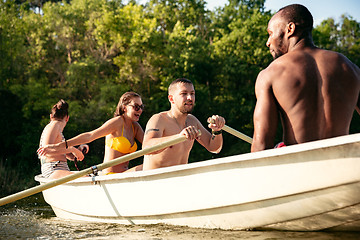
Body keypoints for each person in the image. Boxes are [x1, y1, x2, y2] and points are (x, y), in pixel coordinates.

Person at [251, 4, 360, 152]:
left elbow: (261, 145)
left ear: (290, 29)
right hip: (345, 167)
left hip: (300, 170)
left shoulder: (271, 73)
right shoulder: (350, 68)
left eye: (270, 33)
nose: (268, 42)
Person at [37, 92, 145, 174]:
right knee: (146, 167)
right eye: (136, 106)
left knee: (155, 165)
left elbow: (149, 143)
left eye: (141, 107)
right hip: (111, 175)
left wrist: (75, 151)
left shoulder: (135, 127)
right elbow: (90, 136)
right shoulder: (117, 122)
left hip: (125, 174)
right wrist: (62, 146)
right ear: (125, 107)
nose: (140, 110)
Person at [142, 78, 225, 170]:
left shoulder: (192, 121)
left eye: (192, 94)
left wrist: (216, 131)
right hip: (155, 181)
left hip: (181, 180)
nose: (189, 98)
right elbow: (146, 147)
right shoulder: (159, 119)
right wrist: (179, 137)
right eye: (184, 94)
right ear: (171, 99)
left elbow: (214, 148)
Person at [38, 99, 88, 179]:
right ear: (67, 118)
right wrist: (73, 150)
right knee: (86, 178)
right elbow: (46, 151)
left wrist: (79, 150)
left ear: (51, 116)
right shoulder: (53, 126)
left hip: (60, 169)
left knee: (87, 177)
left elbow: (67, 155)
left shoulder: (57, 130)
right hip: (53, 170)